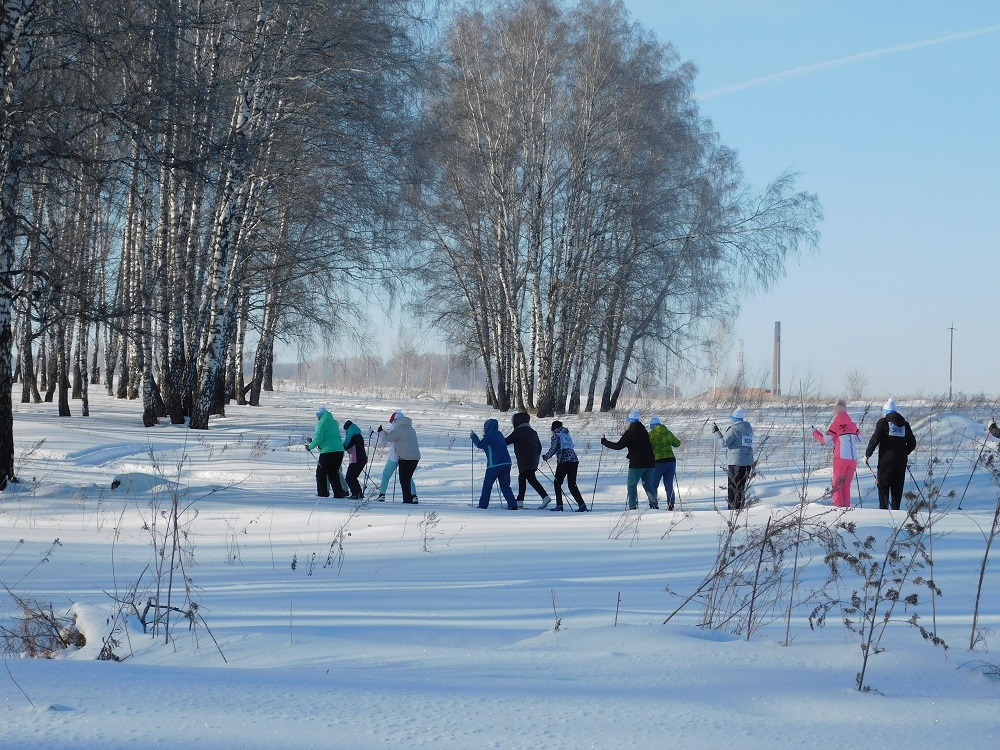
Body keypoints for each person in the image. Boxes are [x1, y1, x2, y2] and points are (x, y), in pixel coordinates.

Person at [601, 408, 658, 510]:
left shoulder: (630, 432)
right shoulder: (644, 431)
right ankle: (654, 504)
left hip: (637, 463)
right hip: (650, 462)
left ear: (630, 421)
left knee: (632, 485)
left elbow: (618, 446)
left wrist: (605, 442)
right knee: (648, 484)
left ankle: (632, 506)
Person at [865, 398, 916, 510]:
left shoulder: (882, 423)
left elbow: (875, 439)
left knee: (883, 485)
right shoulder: (905, 424)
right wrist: (904, 452)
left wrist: (867, 454)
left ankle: (883, 510)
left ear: (885, 412)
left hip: (886, 460)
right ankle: (896, 511)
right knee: (897, 486)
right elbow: (912, 443)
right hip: (901, 461)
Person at [811, 400, 860, 508]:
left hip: (841, 457)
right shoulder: (852, 425)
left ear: (836, 412)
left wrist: (815, 433)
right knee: (846, 485)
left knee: (837, 485)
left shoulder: (836, 424)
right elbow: (860, 438)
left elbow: (825, 440)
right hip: (853, 458)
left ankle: (838, 508)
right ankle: (846, 508)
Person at [470, 418, 519, 510]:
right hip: (507, 463)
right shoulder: (499, 434)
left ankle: (483, 505)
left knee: (487, 485)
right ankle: (512, 505)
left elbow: (480, 444)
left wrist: (473, 436)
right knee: (505, 486)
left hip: (495, 464)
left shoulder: (489, 435)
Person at [505, 412, 549, 509]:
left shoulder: (519, 431)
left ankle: (545, 497)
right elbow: (539, 446)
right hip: (533, 458)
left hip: (524, 459)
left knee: (530, 478)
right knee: (523, 477)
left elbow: (507, 441)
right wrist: (535, 456)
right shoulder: (533, 432)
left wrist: (497, 440)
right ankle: (520, 500)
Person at [713, 407, 754, 511]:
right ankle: (740, 508)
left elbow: (723, 443)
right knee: (741, 487)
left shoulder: (734, 429)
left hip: (736, 463)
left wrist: (717, 432)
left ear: (734, 418)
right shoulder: (748, 428)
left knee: (733, 488)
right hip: (747, 462)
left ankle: (732, 510)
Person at [541, 421, 588, 511]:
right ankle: (582, 505)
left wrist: (546, 457)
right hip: (574, 460)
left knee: (557, 483)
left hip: (564, 461)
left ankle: (559, 505)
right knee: (572, 484)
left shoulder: (556, 435)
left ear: (553, 427)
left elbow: (554, 448)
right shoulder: (566, 434)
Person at [378, 411, 420, 504]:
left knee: (387, 475)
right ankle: (414, 496)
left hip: (397, 456)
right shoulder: (411, 429)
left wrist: (380, 432)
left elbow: (388, 438)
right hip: (414, 457)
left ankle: (382, 495)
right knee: (408, 477)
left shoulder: (397, 427)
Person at [307, 406, 348, 499]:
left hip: (328, 451)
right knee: (333, 473)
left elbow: (318, 438)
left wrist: (310, 446)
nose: (317, 418)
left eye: (317, 416)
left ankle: (322, 493)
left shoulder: (321, 423)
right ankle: (339, 493)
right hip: (339, 451)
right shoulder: (334, 422)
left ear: (320, 415)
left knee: (321, 472)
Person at [649, 416, 681, 511]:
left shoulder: (651, 434)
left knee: (654, 484)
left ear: (652, 426)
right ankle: (671, 504)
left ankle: (654, 504)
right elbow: (677, 443)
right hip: (671, 461)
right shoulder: (668, 432)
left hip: (658, 461)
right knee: (668, 484)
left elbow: (648, 446)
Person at [342, 420, 368, 500]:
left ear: (348, 429)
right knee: (353, 477)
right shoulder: (358, 435)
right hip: (361, 459)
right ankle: (358, 494)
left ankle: (356, 494)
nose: (346, 432)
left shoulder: (352, 436)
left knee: (349, 477)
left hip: (356, 459)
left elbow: (345, 446)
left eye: (346, 430)